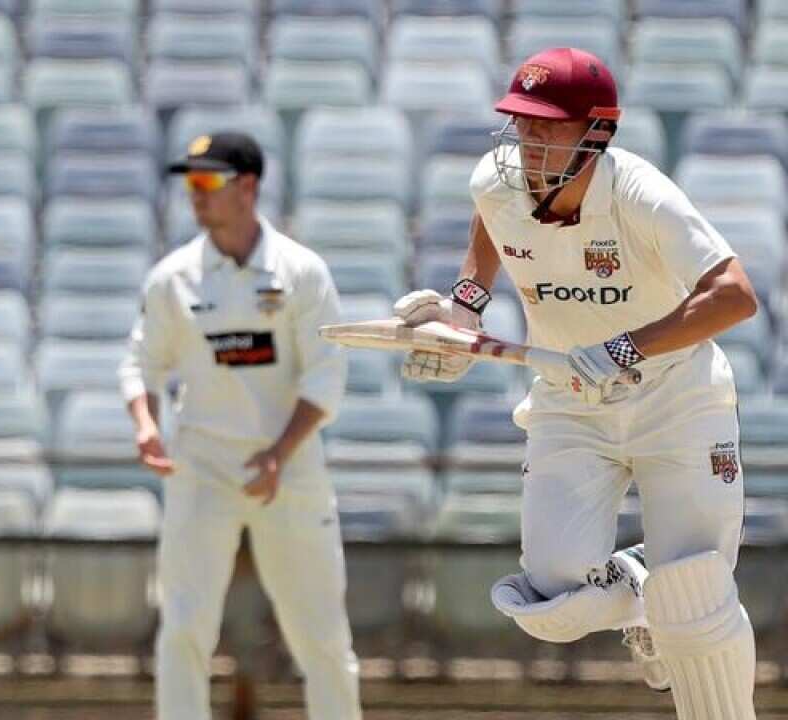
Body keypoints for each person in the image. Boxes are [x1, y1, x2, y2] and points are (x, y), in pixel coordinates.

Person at [396, 47, 759, 719]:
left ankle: (672, 608)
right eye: (520, 121)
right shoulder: (495, 181)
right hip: (569, 404)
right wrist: (465, 306)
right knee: (551, 605)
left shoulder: (639, 193)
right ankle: (649, 592)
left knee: (697, 602)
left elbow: (735, 296)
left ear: (596, 133)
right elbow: (492, 221)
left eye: (546, 125)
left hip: (677, 400)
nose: (527, 139)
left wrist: (625, 348)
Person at [119, 132, 360, 720]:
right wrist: (146, 424)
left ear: (248, 187)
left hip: (291, 466)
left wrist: (279, 454)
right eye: (190, 183)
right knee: (182, 628)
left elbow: (325, 378)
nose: (195, 196)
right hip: (201, 465)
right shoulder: (172, 277)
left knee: (322, 637)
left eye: (208, 181)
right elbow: (141, 364)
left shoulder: (301, 272)